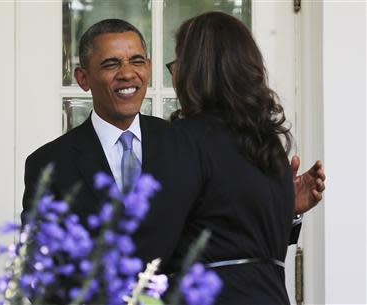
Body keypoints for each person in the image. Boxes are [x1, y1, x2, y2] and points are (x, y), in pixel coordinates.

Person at [22, 19, 324, 273]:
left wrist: (285, 207)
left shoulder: (182, 141)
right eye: (111, 63)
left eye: (137, 61)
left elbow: (229, 234)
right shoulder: (48, 164)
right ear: (83, 78)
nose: (128, 73)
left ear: (150, 68)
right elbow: (37, 268)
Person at [163, 11, 316, 304]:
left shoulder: (182, 139)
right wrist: (290, 210)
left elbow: (162, 239)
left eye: (178, 63)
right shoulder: (268, 144)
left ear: (197, 70)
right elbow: (241, 237)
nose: (174, 75)